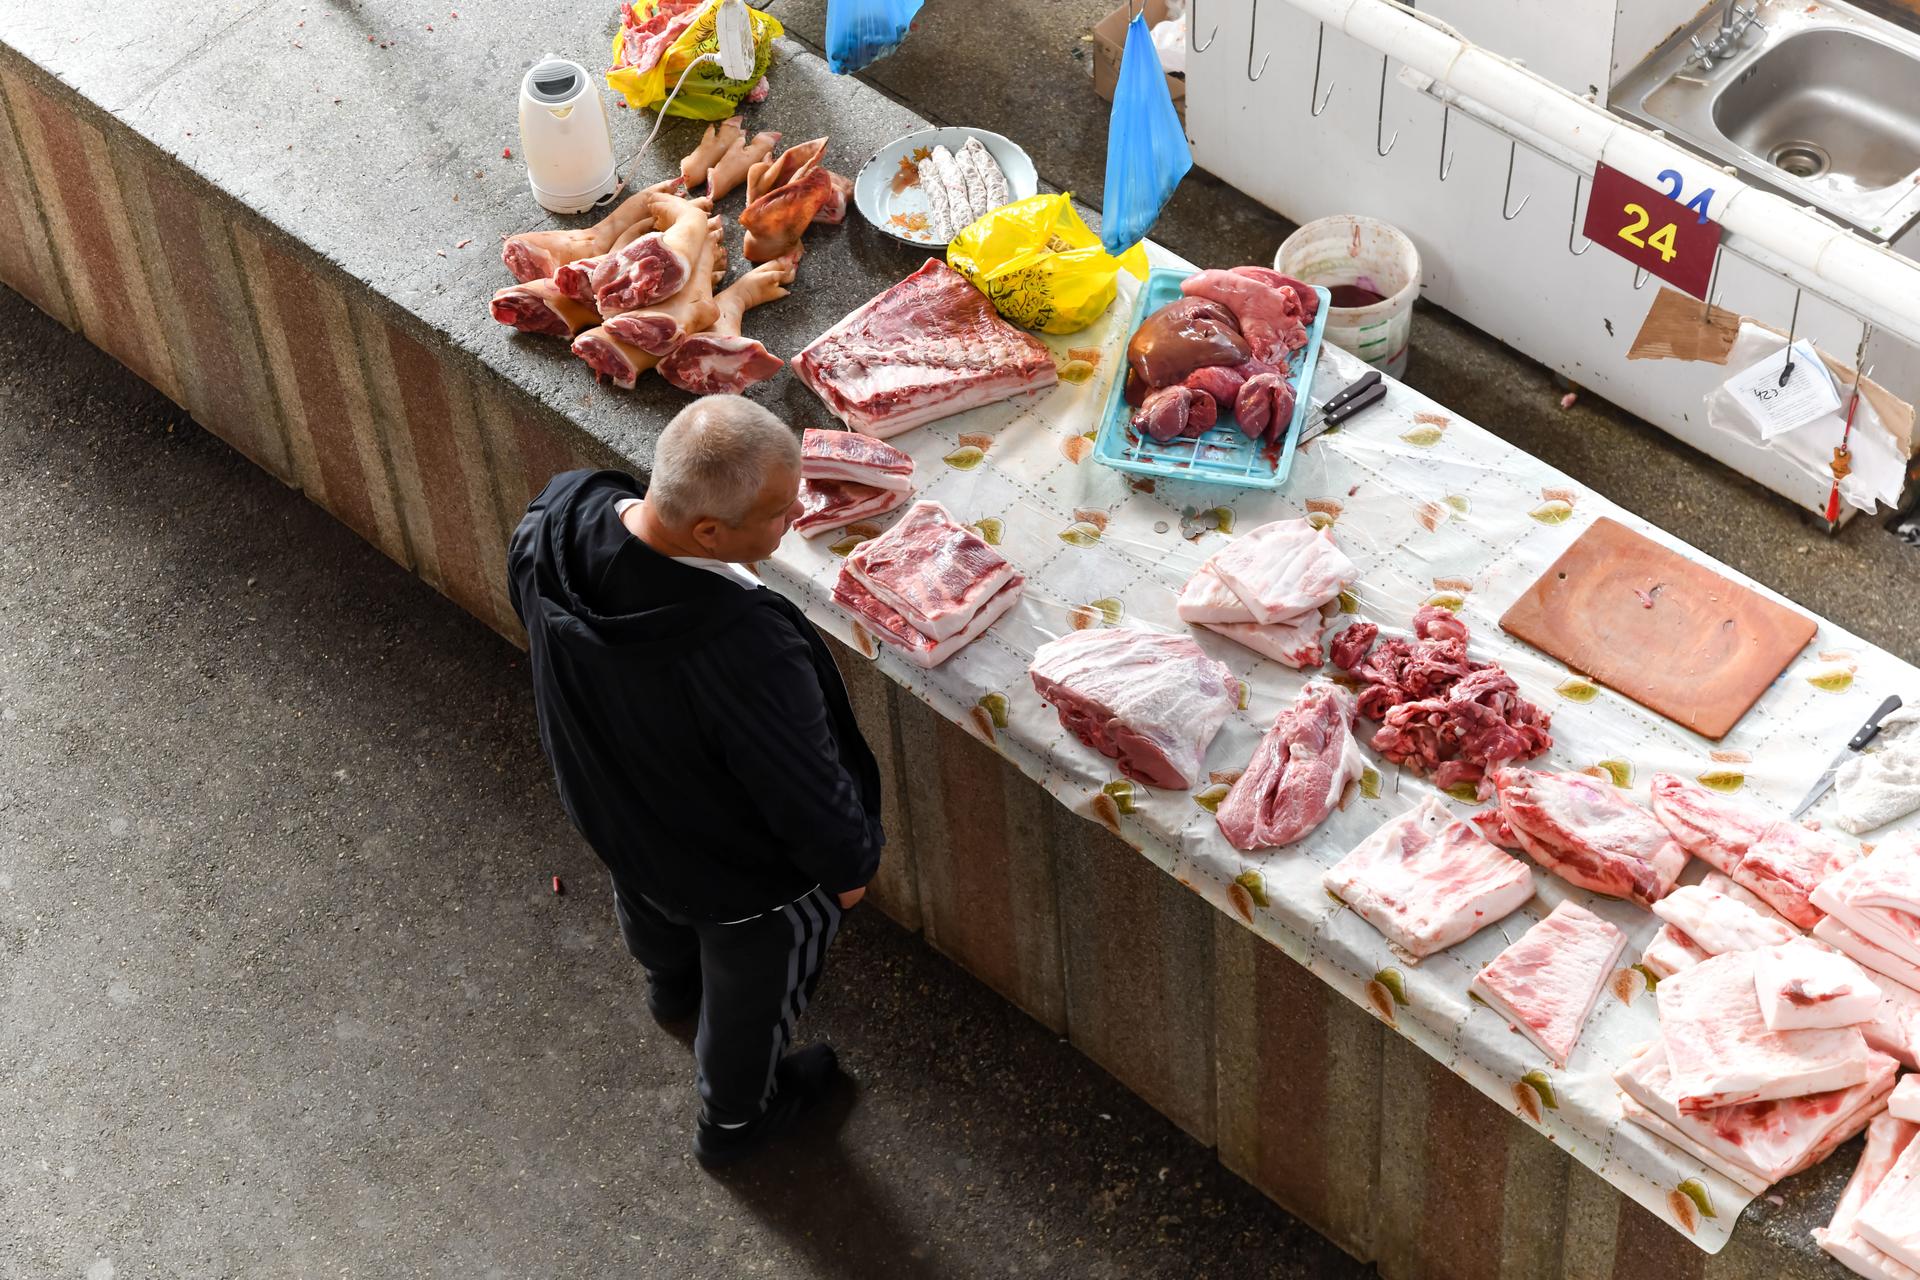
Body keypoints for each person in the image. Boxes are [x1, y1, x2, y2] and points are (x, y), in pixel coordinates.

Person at [506, 394, 884, 1167]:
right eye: (781, 511)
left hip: (614, 809)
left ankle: (673, 989)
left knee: (650, 904)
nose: (795, 519)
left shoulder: (562, 513)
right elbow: (800, 786)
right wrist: (850, 874)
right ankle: (737, 1123)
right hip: (741, 881)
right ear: (709, 532)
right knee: (753, 993)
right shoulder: (742, 647)